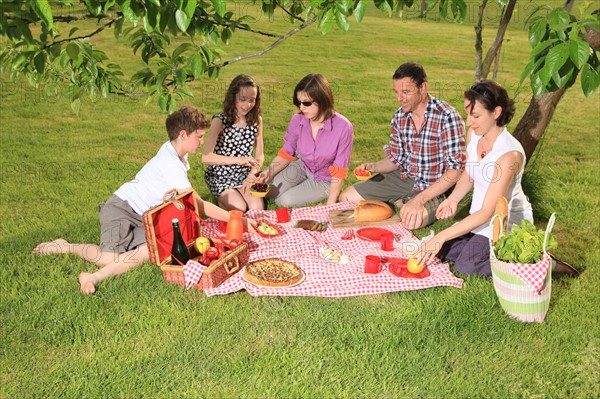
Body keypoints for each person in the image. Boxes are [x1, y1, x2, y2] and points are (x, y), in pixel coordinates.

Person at [32, 106, 256, 294]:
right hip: (122, 207)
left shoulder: (177, 152)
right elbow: (198, 205)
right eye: (199, 136)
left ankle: (93, 277)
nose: (202, 141)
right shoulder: (171, 164)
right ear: (183, 135)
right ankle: (65, 246)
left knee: (152, 252)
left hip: (145, 215)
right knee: (108, 257)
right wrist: (238, 220)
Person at [413, 80, 533, 276]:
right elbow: (470, 173)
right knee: (441, 251)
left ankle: (531, 264)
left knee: (466, 264)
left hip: (502, 224)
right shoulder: (474, 135)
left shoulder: (509, 155)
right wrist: (453, 199)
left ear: (496, 112)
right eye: (468, 114)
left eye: (475, 116)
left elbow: (488, 213)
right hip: (477, 219)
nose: (468, 121)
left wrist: (441, 236)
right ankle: (486, 250)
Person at [339, 62, 465, 230]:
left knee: (410, 222)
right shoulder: (399, 117)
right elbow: (395, 159)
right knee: (346, 198)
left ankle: (406, 201)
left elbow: (455, 171)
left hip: (433, 185)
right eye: (397, 92)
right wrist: (373, 166)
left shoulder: (447, 117)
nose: (400, 98)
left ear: (423, 88)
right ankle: (402, 199)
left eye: (406, 92)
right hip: (404, 178)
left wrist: (419, 200)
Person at [257, 73, 354, 207]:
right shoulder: (297, 120)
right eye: (299, 102)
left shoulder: (343, 127)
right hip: (302, 166)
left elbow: (339, 169)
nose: (301, 107)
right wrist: (267, 172)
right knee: (267, 190)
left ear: (322, 100)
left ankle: (319, 193)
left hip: (324, 180)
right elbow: (287, 152)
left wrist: (331, 202)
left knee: (284, 201)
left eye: (306, 103)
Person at [202, 74, 265, 211]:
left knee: (257, 208)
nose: (247, 105)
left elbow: (260, 156)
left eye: (252, 100)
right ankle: (221, 199)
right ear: (233, 97)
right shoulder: (220, 121)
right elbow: (206, 157)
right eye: (242, 99)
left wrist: (252, 174)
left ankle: (235, 197)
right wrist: (239, 160)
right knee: (239, 208)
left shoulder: (256, 120)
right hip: (220, 175)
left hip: (244, 174)